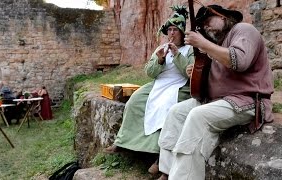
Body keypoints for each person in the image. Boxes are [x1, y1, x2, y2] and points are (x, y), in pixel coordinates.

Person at [157, 4, 274, 180]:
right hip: (218, 100)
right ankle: (167, 172)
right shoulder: (216, 44)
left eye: (208, 21)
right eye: (202, 25)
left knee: (197, 116)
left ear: (223, 17)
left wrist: (203, 44)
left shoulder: (243, 30)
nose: (206, 27)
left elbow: (239, 61)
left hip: (246, 100)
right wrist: (195, 71)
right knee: (176, 112)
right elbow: (218, 74)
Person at [104, 5, 194, 174]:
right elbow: (150, 73)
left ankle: (158, 154)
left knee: (165, 107)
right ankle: (123, 142)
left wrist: (177, 56)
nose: (172, 33)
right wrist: (159, 60)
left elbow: (189, 73)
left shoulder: (189, 50)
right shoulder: (160, 49)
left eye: (175, 30)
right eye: (169, 30)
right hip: (159, 83)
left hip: (179, 84)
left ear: (182, 32)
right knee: (135, 101)